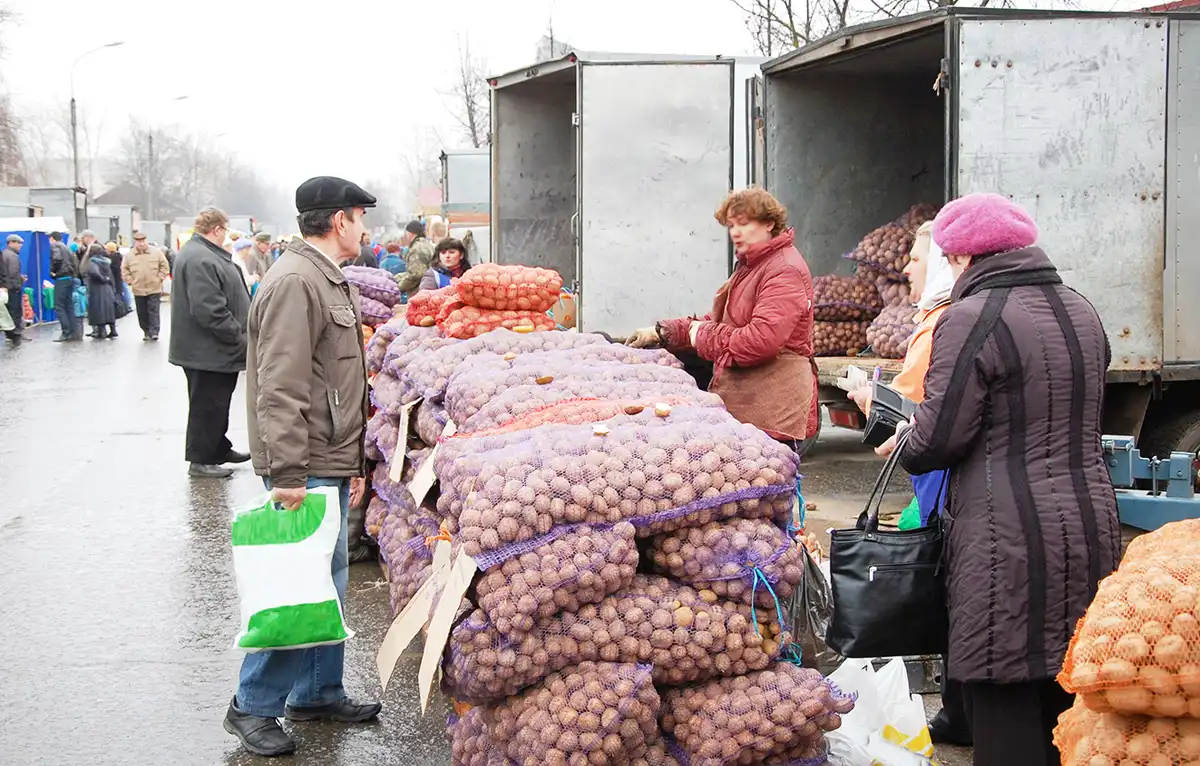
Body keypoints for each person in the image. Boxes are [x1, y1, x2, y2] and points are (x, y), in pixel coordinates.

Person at [877, 193, 1120, 766]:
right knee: (1067, 680)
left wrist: (905, 439)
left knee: (1000, 674)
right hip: (1089, 521)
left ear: (961, 258)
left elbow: (939, 438)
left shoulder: (972, 318)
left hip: (1005, 532)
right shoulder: (1081, 308)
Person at [225, 176, 380, 757]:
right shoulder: (295, 282)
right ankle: (251, 706)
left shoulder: (324, 277)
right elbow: (281, 387)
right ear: (339, 221)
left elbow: (335, 382)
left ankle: (317, 692)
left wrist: (352, 459)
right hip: (304, 460)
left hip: (327, 456)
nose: (365, 228)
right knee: (297, 583)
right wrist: (288, 474)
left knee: (328, 581)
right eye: (360, 217)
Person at [844, 221, 970, 746]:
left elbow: (921, 412)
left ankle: (961, 712)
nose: (907, 269)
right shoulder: (941, 316)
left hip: (945, 473)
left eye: (917, 259)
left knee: (951, 584)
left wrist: (869, 398)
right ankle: (959, 708)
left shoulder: (946, 320)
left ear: (944, 261)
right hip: (941, 470)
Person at [627, 187, 818, 445]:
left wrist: (699, 333)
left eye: (744, 224)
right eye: (731, 225)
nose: (735, 233)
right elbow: (722, 322)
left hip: (772, 409)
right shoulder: (753, 265)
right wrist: (665, 332)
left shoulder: (783, 270)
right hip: (750, 402)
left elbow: (759, 341)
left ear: (770, 224)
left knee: (769, 481)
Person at [168, 207, 252, 479]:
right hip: (206, 351)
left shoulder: (204, 253)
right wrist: (238, 338)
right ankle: (201, 459)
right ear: (216, 229)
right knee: (206, 405)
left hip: (213, 350)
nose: (227, 236)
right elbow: (209, 309)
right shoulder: (199, 258)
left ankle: (217, 447)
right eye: (225, 230)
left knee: (217, 403)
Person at [123, 231, 171, 341]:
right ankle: (146, 331)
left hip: (154, 287)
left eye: (143, 241)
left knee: (153, 310)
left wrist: (159, 278)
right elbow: (125, 270)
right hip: (138, 288)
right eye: (139, 241)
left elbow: (165, 266)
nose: (141, 244)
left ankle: (154, 331)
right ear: (135, 242)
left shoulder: (156, 253)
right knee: (142, 312)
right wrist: (130, 281)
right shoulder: (129, 255)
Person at [49, 231, 81, 342]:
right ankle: (73, 331)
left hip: (61, 278)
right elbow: (74, 263)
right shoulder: (67, 248)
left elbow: (57, 259)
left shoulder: (55, 246)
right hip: (69, 278)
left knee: (59, 306)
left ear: (52, 238)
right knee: (69, 305)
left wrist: (53, 271)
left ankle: (65, 332)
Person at [85, 243, 118, 339]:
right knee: (109, 310)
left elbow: (94, 272)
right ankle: (113, 330)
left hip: (97, 288)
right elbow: (111, 276)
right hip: (107, 289)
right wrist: (111, 284)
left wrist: (102, 279)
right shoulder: (107, 261)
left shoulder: (92, 261)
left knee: (99, 309)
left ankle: (102, 331)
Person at [394, 220, 435, 294]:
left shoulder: (417, 249)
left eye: (406, 234)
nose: (405, 237)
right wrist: (398, 277)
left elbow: (415, 275)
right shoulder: (426, 244)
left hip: (419, 293)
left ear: (410, 233)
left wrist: (396, 289)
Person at [2, 234, 25, 345]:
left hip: (6, 288)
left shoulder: (4, 254)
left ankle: (10, 334)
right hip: (13, 288)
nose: (20, 245)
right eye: (19, 242)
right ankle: (16, 334)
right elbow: (13, 273)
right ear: (11, 242)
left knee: (8, 312)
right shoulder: (12, 256)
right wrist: (18, 284)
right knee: (15, 311)